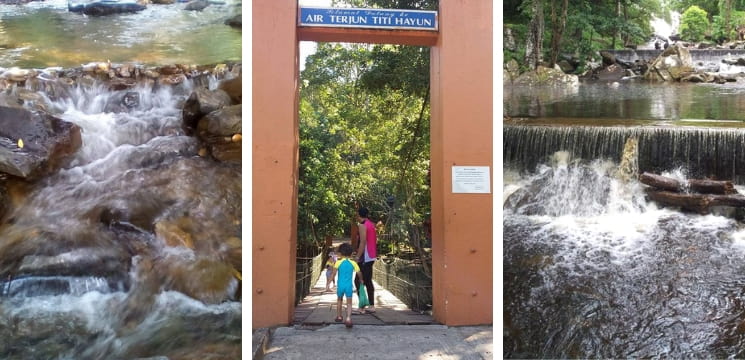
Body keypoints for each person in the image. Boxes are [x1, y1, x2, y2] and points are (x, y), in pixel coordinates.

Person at [330, 242, 363, 328]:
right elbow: (359, 273)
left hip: (340, 285)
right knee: (349, 303)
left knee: (339, 300)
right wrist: (361, 279)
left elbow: (333, 274)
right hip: (349, 286)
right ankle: (348, 318)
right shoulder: (353, 263)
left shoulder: (338, 262)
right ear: (351, 253)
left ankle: (339, 316)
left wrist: (328, 283)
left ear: (340, 253)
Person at [354, 207, 377, 314]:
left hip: (365, 257)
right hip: (371, 256)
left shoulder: (362, 225)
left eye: (357, 214)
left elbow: (362, 242)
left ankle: (362, 306)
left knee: (358, 281)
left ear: (359, 215)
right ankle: (371, 305)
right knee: (367, 281)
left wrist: (357, 257)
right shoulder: (370, 224)